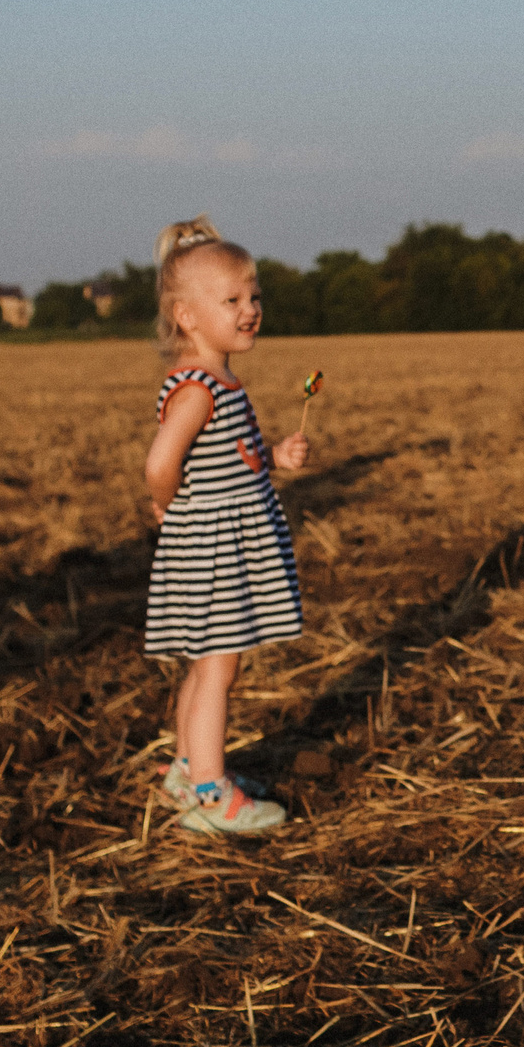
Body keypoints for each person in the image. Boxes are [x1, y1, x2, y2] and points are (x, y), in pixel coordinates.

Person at [143, 217, 310, 836]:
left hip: (224, 541)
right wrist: (169, 503)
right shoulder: (196, 390)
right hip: (210, 547)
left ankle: (186, 771)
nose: (251, 310)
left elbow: (233, 457)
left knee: (206, 662)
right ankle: (209, 795)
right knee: (219, 664)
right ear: (186, 317)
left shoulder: (222, 382)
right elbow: (161, 462)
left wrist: (275, 459)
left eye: (254, 297)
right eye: (233, 300)